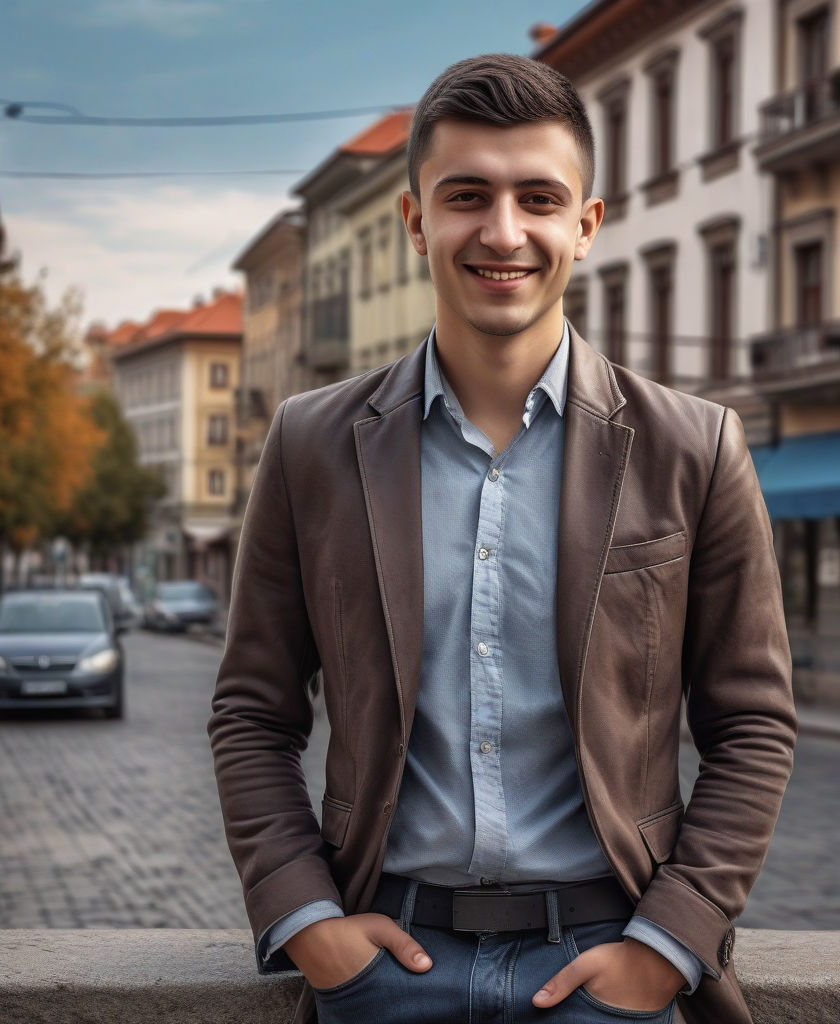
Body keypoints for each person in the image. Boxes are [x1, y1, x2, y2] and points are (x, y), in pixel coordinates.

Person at [208, 53, 796, 1024]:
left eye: (538, 198)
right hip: (384, 969)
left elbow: (753, 723)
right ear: (415, 222)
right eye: (467, 196)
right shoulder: (311, 444)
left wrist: (667, 944)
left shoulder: (695, 447)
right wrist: (308, 921)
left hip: (609, 965)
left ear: (586, 225)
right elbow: (252, 711)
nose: (503, 231)